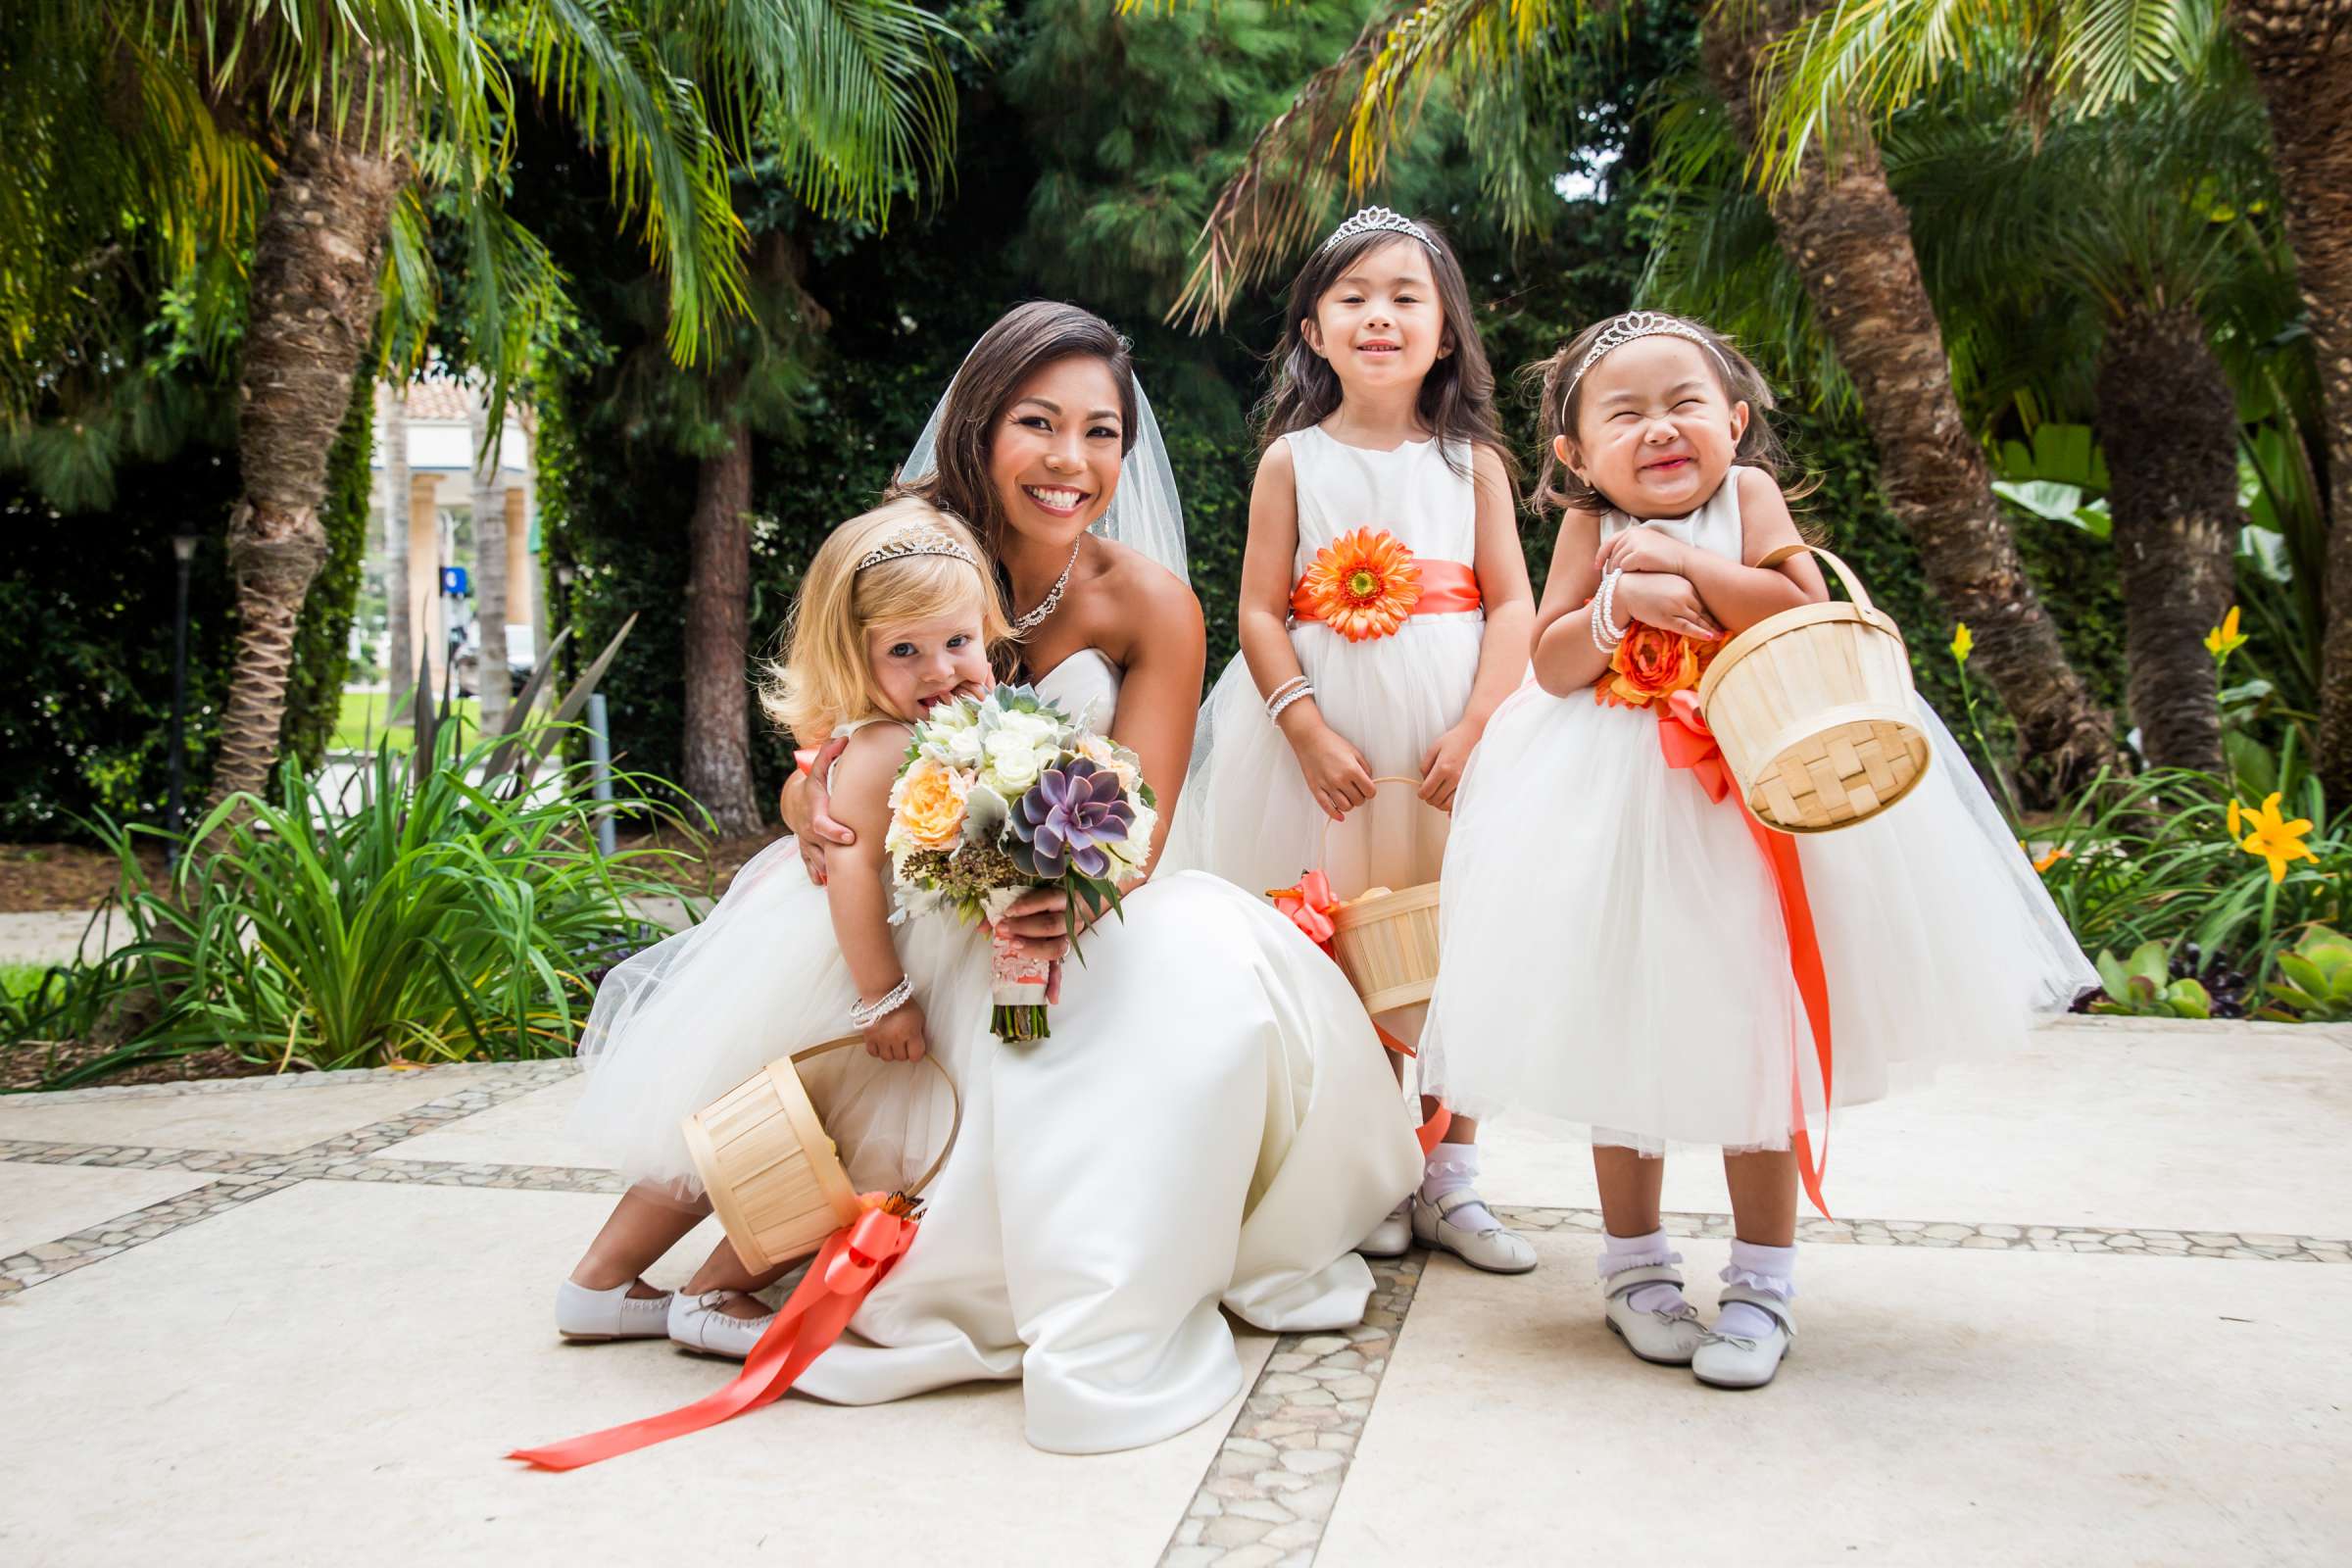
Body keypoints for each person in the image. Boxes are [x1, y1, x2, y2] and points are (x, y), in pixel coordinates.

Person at [782, 301, 1426, 1453]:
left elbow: (1146, 819)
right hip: (900, 907)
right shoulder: (905, 554)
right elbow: (832, 735)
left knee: (1203, 973)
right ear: (979, 427)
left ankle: (1143, 1239)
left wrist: (1051, 897)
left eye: (1102, 431)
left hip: (1083, 893)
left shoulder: (1151, 602)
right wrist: (809, 795)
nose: (1071, 461)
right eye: (1038, 422)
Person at [1423, 311, 2097, 1389]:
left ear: (1734, 420)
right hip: (1611, 806)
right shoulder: (1587, 526)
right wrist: (1615, 606)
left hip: (1760, 790)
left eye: (1685, 403)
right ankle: (1635, 1269)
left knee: (1760, 1034)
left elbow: (1801, 602)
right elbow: (1549, 663)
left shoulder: (1745, 499)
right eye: (1626, 413)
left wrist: (1687, 564)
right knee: (1621, 1024)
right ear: (1574, 456)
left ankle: (1762, 1282)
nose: (1660, 428)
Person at [1163, 206, 1538, 1273]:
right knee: (1336, 937)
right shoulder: (1293, 461)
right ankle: (1371, 1163)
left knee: (1453, 937)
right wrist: (1305, 728)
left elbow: (1510, 605)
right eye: (1353, 297)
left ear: (1448, 332)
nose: (1380, 316)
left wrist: (1478, 726)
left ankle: (1454, 1174)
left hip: (1445, 744)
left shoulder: (1476, 465)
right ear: (1314, 331)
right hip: (1323, 754)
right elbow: (1261, 610)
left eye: (1406, 296)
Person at [556, 499, 1004, 1356]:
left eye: (958, 641)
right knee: (831, 1146)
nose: (940, 669)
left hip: (842, 953)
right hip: (860, 964)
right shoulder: (880, 750)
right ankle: (718, 1291)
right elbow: (847, 875)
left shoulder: (933, 730)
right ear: (855, 658)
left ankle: (601, 1281)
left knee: (740, 1130)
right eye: (903, 652)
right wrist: (885, 999)